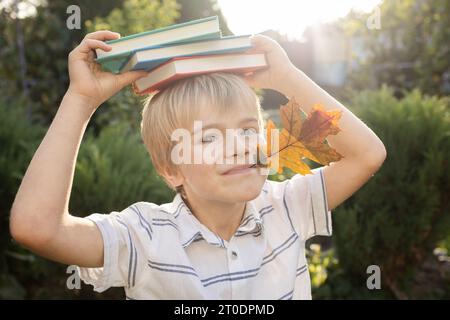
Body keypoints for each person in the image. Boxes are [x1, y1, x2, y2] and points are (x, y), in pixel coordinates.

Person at [9, 30, 386, 299]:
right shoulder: (144, 237)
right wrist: (81, 100)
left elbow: (367, 154)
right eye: (207, 138)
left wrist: (286, 78)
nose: (239, 147)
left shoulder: (287, 206)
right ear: (170, 169)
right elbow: (36, 228)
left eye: (248, 129)